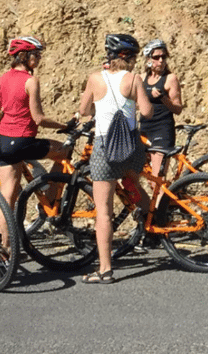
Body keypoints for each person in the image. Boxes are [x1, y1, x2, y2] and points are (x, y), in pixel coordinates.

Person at [78, 34, 152, 284]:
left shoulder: (95, 79)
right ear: (127, 58)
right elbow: (148, 111)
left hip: (104, 148)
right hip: (131, 147)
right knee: (133, 181)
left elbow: (84, 111)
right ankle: (149, 220)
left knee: (104, 213)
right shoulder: (134, 79)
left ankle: (106, 269)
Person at [0, 37, 72, 257]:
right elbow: (38, 118)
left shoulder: (3, 78)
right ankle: (50, 198)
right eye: (36, 54)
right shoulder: (31, 81)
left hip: (3, 141)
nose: (39, 58)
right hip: (23, 140)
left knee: (7, 197)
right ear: (24, 56)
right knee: (64, 151)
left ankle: (6, 249)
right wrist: (64, 125)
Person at [139, 39, 183, 177]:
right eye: (156, 57)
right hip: (144, 129)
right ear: (148, 59)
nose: (161, 60)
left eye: (163, 57)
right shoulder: (141, 78)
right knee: (138, 173)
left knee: (156, 179)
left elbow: (178, 109)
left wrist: (162, 98)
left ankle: (165, 198)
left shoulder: (170, 79)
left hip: (162, 130)